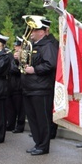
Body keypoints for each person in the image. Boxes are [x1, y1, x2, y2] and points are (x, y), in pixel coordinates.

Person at [21, 16, 58, 156]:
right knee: (33, 118)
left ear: (42, 32)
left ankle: (43, 146)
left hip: (41, 88)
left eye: (34, 30)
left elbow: (51, 64)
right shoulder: (33, 45)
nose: (31, 33)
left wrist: (35, 70)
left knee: (42, 118)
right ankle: (38, 143)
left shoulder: (48, 45)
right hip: (29, 87)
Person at [6, 37, 25, 133]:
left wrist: (16, 60)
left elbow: (17, 70)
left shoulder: (22, 56)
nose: (15, 47)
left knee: (20, 108)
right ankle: (11, 124)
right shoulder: (12, 55)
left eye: (17, 45)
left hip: (19, 85)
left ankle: (20, 126)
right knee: (11, 107)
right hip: (11, 85)